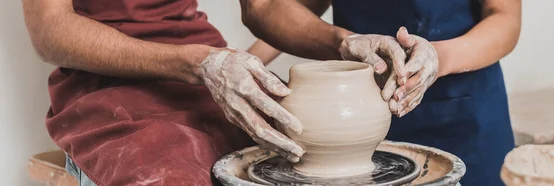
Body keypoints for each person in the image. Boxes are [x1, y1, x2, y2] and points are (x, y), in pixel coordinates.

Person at [22, 0, 412, 185]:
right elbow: (50, 29)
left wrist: (342, 41)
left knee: (293, 159)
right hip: (106, 79)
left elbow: (265, 6)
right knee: (172, 177)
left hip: (207, 65)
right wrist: (196, 63)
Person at [242, 0, 521, 185]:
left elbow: (505, 18)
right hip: (351, 115)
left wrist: (439, 58)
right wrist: (243, 63)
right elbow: (274, 7)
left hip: (462, 112)